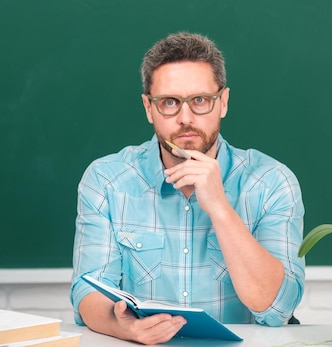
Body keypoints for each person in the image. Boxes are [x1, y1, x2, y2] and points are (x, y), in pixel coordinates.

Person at [70, 32, 305, 345]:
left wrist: (220, 208)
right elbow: (89, 292)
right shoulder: (107, 181)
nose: (185, 118)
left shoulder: (272, 182)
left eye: (200, 101)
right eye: (169, 102)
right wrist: (124, 328)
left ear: (222, 102)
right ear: (148, 108)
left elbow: (277, 309)